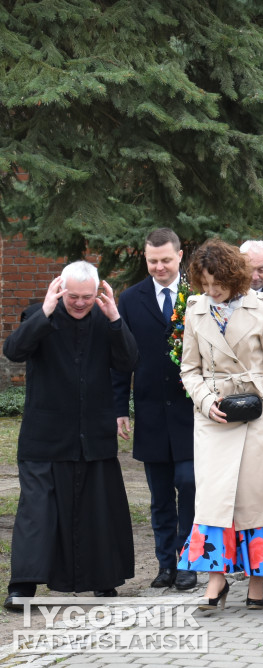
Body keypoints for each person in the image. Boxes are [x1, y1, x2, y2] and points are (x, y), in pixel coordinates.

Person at [177, 240, 263, 611]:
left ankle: (256, 582)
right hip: (215, 417)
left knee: (255, 502)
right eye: (204, 283)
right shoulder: (195, 309)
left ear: (234, 276)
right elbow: (189, 369)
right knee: (214, 502)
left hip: (259, 415)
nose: (211, 290)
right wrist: (205, 402)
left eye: (217, 282)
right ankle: (215, 581)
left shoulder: (262, 307)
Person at [3, 262, 138, 609]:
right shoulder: (38, 315)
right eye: (73, 297)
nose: (80, 303)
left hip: (93, 436)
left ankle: (103, 581)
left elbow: (128, 362)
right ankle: (23, 586)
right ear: (60, 290)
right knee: (37, 513)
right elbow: (14, 351)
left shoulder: (105, 319)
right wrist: (46, 311)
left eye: (87, 297)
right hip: (45, 437)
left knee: (97, 510)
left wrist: (115, 320)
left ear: (98, 293)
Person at [112, 228, 197, 591]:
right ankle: (166, 565)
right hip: (149, 412)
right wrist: (120, 408)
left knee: (189, 484)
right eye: (152, 261)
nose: (159, 267)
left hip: (191, 411)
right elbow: (119, 360)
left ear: (180, 256)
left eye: (165, 260)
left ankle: (191, 562)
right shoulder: (130, 300)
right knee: (160, 495)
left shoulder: (197, 296)